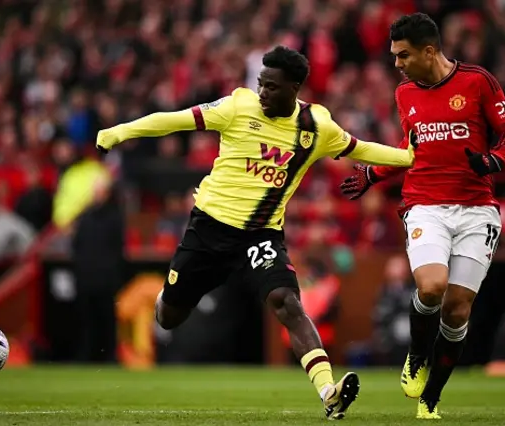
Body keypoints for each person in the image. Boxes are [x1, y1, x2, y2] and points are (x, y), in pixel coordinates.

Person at [97, 45, 416, 419]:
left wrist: (410, 157)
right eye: (261, 84)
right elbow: (174, 120)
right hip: (209, 229)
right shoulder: (237, 107)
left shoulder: (316, 128)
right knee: (169, 316)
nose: (263, 93)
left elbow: (362, 149)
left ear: (295, 88)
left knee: (287, 302)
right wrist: (119, 132)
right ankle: (169, 295)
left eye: (272, 87)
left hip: (260, 236)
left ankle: (329, 392)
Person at [340, 13, 505, 419]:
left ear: (429, 50)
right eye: (393, 56)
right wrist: (373, 173)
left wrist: (492, 161)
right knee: (432, 286)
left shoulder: (478, 81)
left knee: (458, 309)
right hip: (426, 204)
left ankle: (430, 400)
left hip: (477, 210)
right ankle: (416, 356)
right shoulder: (405, 93)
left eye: (402, 55)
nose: (397, 64)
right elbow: (411, 150)